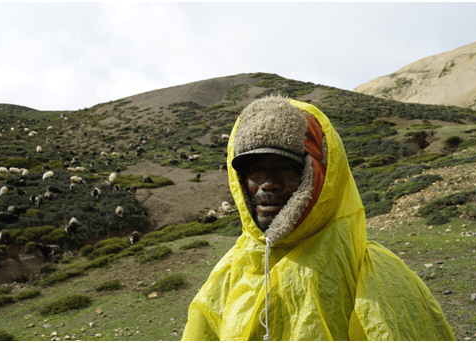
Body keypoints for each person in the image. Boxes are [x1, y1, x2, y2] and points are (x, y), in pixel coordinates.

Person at [182, 94, 455, 341]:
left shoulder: (370, 273)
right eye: (256, 169)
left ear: (319, 176)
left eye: (288, 168)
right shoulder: (229, 272)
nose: (268, 184)